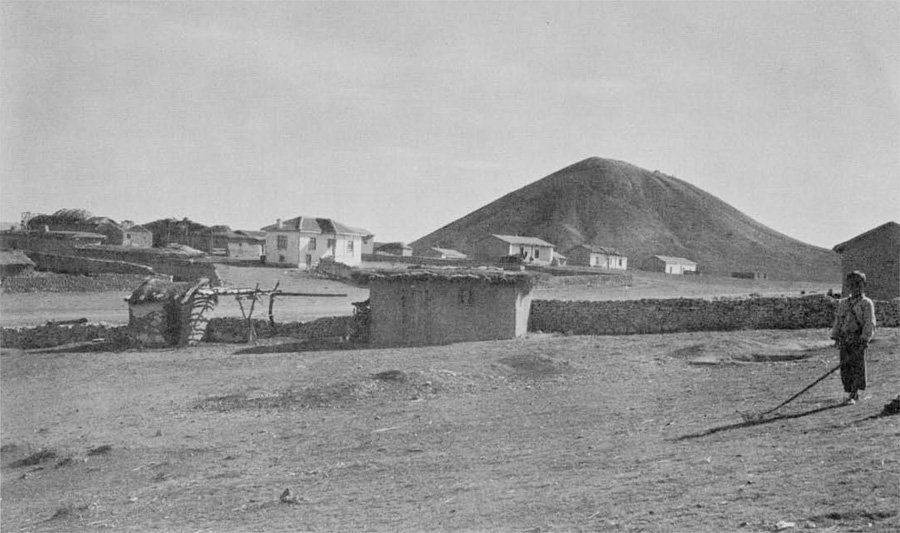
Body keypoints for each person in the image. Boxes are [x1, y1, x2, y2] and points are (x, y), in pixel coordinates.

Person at [830, 271, 876, 404]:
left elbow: (869, 322)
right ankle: (849, 391)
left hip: (858, 339)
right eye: (851, 284)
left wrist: (865, 339)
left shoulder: (866, 303)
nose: (855, 287)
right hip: (845, 339)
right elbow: (838, 321)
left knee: (857, 367)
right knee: (845, 367)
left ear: (863, 285)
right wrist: (836, 336)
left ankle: (854, 393)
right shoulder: (843, 303)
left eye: (858, 284)